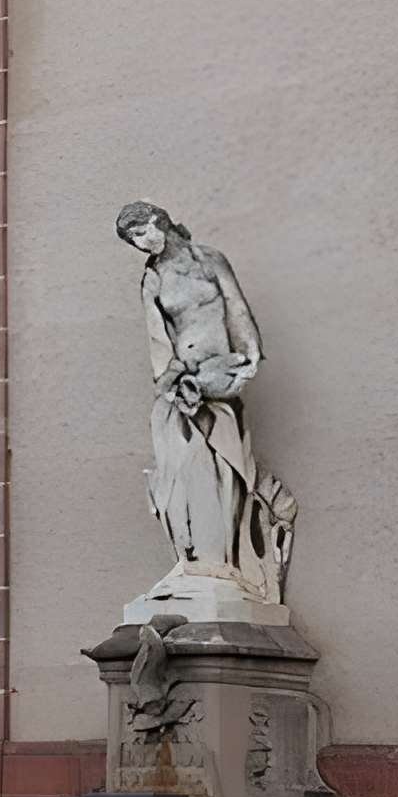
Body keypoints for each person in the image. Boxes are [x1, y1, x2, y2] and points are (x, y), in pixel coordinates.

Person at [116, 201, 296, 605]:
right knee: (185, 472)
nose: (141, 244)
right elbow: (158, 339)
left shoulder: (209, 260)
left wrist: (249, 360)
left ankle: (227, 561)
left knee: (227, 469)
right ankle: (200, 559)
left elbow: (236, 308)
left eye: (141, 233)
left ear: (159, 221)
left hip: (221, 378)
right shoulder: (153, 279)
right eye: (133, 241)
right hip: (184, 386)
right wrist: (173, 383)